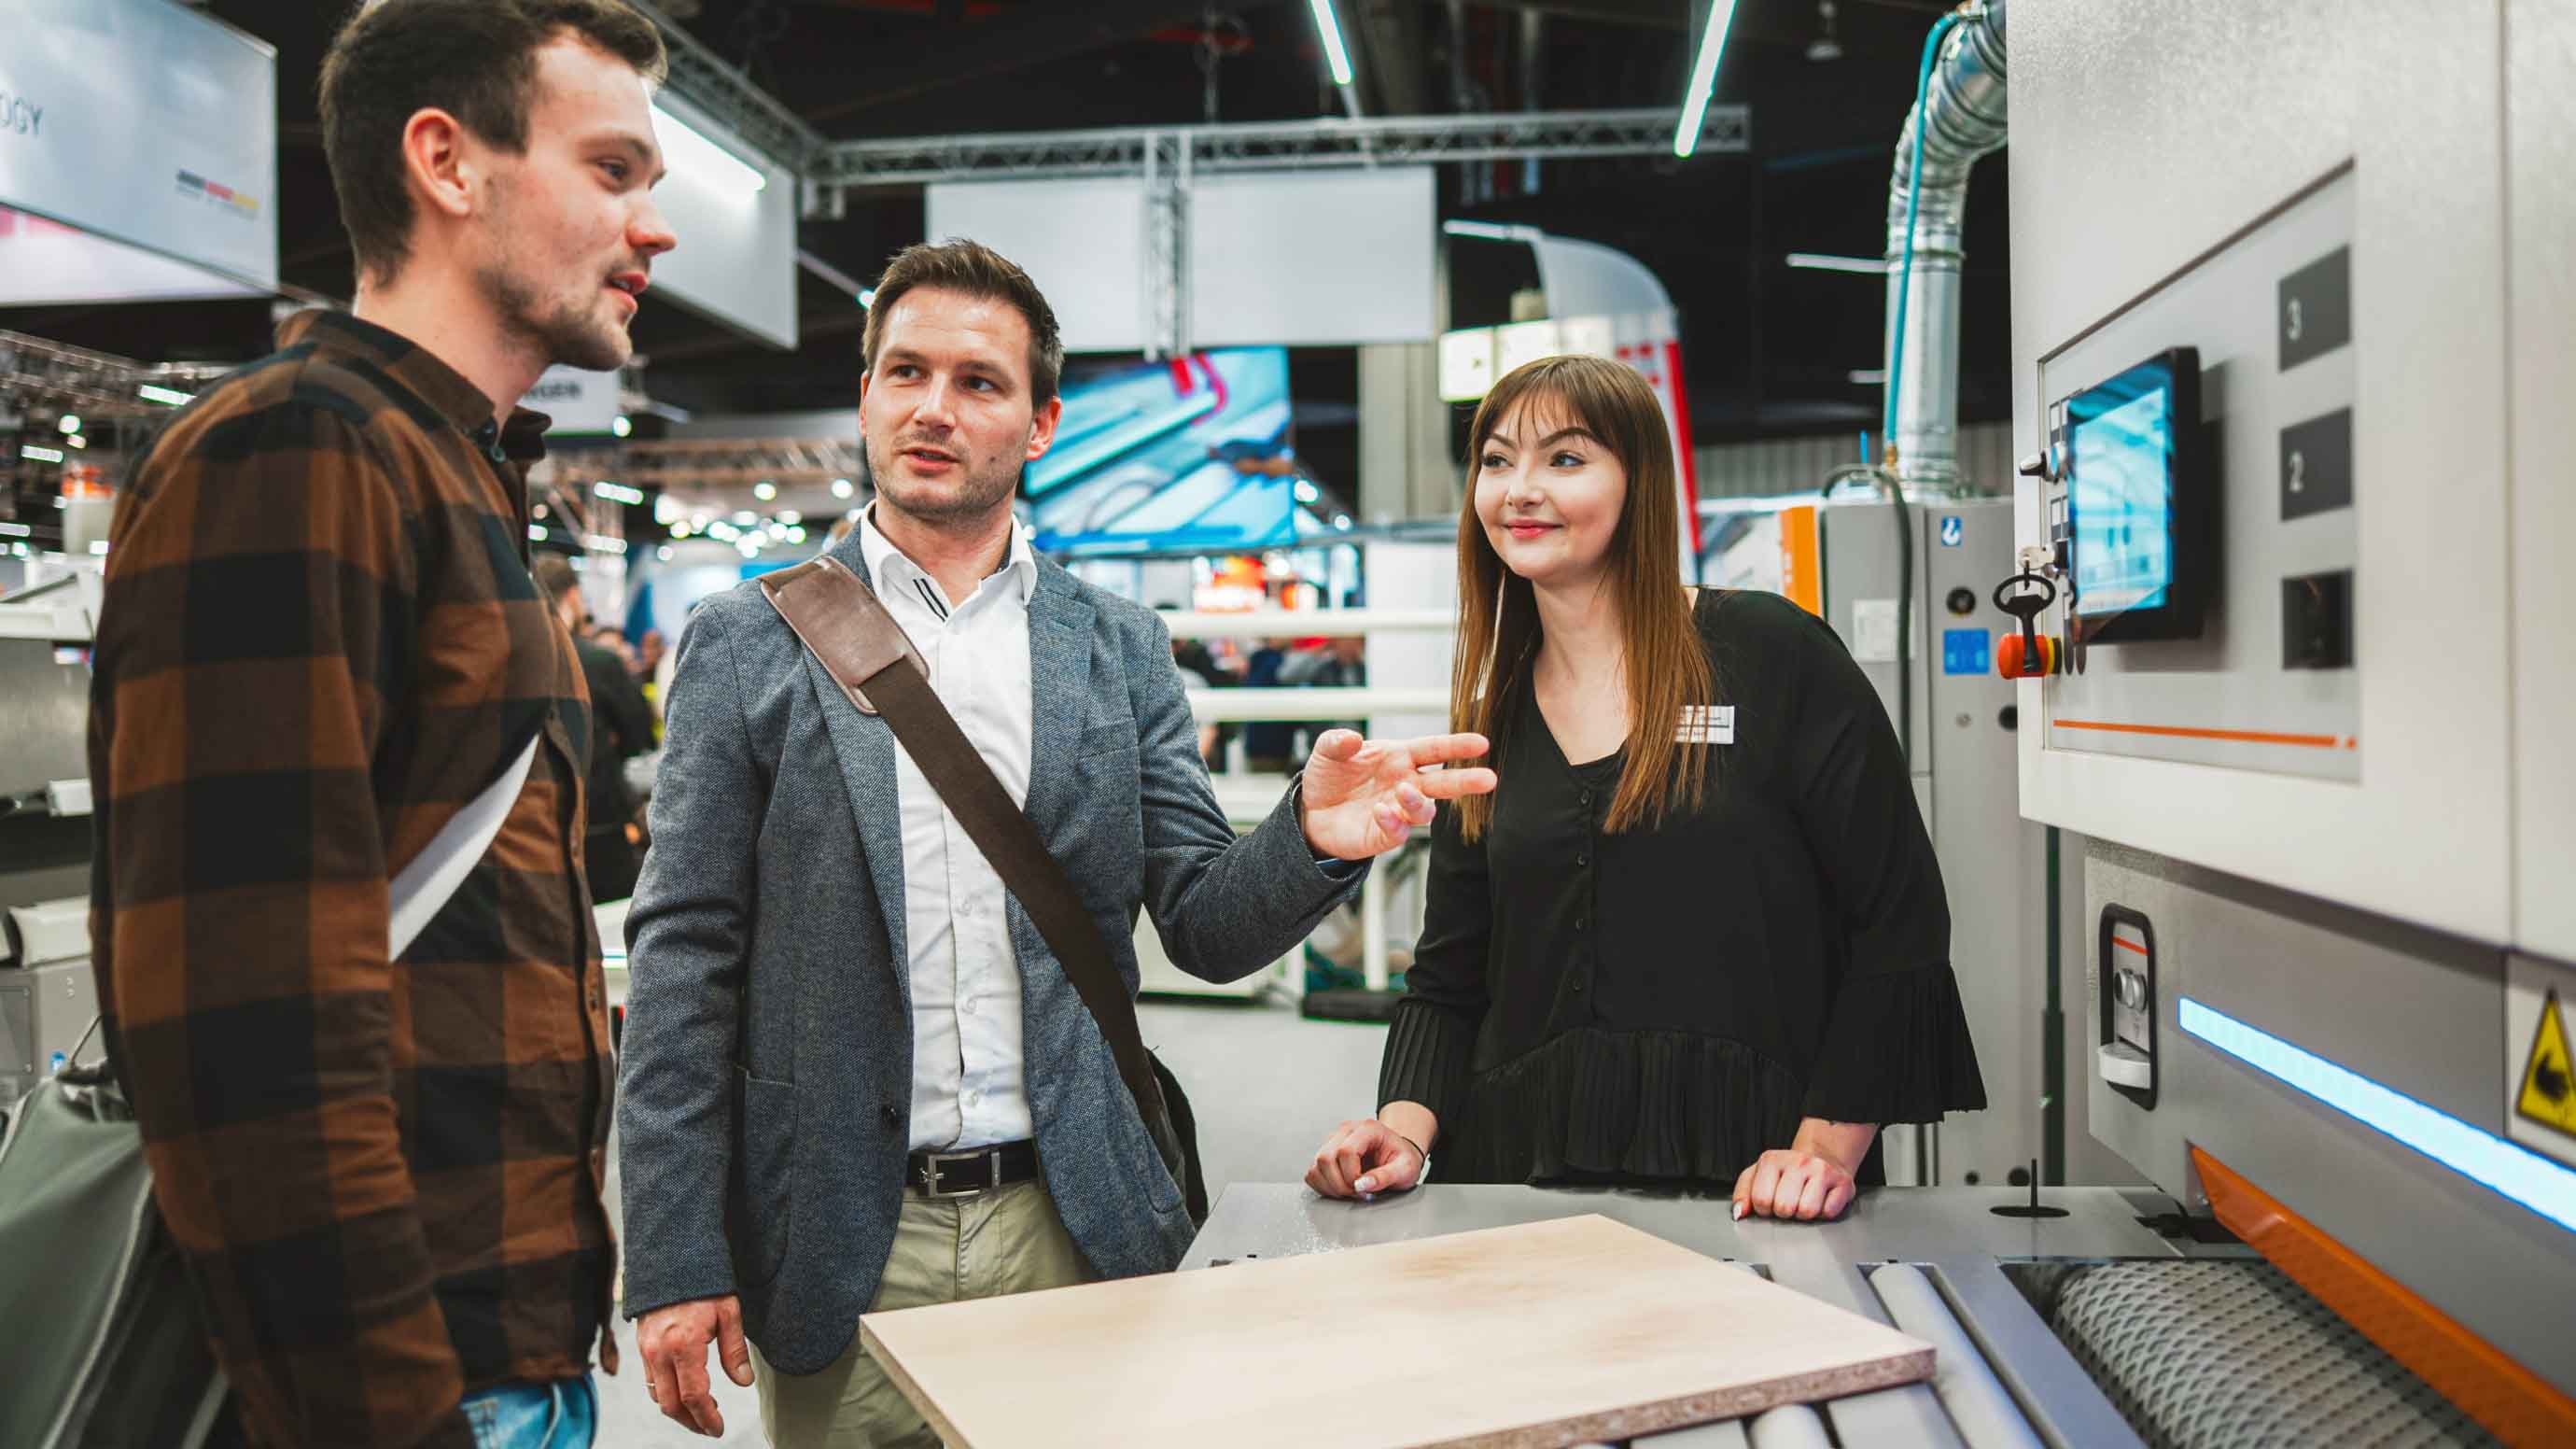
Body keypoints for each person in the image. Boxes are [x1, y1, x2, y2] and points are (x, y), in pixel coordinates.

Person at [616, 238, 1496, 1448]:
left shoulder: (1114, 644)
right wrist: (670, 1250)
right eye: (904, 372)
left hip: (1074, 1217)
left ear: (1039, 426)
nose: (933, 407)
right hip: (838, 1226)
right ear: (867, 394)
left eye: (979, 382)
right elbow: (683, 964)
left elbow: (1204, 920)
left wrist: (1309, 834)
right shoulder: (748, 642)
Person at [83, 3, 675, 1445]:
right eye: (612, 171)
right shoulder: (297, 451)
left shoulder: (445, 471)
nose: (652, 229)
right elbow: (252, 1025)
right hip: (406, 1382)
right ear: (447, 163)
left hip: (502, 1349)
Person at [1304, 355, 1984, 1220]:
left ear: (1640, 484)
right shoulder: (1497, 714)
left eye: (1566, 459)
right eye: (1498, 460)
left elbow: (1900, 920)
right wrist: (1401, 1131)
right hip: (1520, 1175)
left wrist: (1822, 1149)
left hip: (1752, 1173)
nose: (1520, 489)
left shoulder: (1773, 654)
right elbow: (1451, 974)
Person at [536, 555, 657, 900]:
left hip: (532, 824)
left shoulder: (511, 655)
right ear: (573, 596)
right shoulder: (598, 662)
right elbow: (639, 738)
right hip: (599, 820)